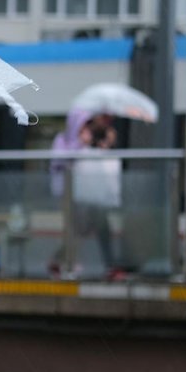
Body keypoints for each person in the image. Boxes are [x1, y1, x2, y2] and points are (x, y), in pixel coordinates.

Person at [48, 108, 124, 279]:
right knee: (77, 230)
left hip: (88, 193)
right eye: (83, 124)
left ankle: (107, 265)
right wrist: (79, 144)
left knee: (97, 227)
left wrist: (103, 142)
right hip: (67, 194)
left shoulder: (89, 140)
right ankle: (63, 262)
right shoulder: (64, 140)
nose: (86, 128)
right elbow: (58, 161)